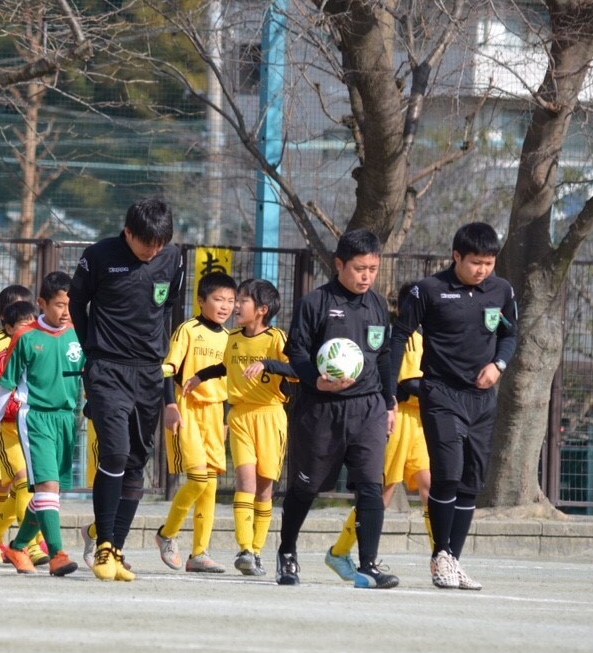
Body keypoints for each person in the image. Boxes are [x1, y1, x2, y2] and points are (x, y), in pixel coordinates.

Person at [390, 222, 517, 590]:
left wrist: (499, 365)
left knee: (471, 482)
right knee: (447, 472)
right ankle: (440, 556)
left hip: (482, 399)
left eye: (489, 263)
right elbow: (399, 338)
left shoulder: (501, 290)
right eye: (475, 262)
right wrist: (387, 392)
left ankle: (452, 560)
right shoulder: (428, 291)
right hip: (441, 393)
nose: (482, 270)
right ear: (456, 256)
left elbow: (509, 334)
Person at [70, 197, 184, 582]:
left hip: (148, 373)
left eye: (160, 244)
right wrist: (91, 352)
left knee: (136, 463)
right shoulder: (99, 255)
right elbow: (76, 303)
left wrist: (166, 385)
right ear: (128, 232)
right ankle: (103, 544)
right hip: (107, 369)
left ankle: (116, 548)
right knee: (115, 452)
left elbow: (166, 310)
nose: (153, 251)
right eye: (146, 243)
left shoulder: (173, 259)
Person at [279, 230, 399, 589]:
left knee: (369, 486)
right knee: (306, 487)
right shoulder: (315, 302)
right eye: (359, 268)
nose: (366, 276)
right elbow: (295, 351)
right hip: (321, 410)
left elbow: (385, 356)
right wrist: (317, 380)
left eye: (373, 269)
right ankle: (287, 552)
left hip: (368, 409)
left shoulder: (377, 305)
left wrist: (389, 402)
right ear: (339, 265)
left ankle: (368, 564)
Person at [182, 278, 295, 576]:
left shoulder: (276, 339)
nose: (235, 305)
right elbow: (225, 366)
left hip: (270, 416)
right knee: (244, 481)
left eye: (242, 300)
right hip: (240, 415)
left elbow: (298, 369)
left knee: (264, 486)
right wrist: (200, 376)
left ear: (261, 310)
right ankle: (245, 549)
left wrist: (269, 364)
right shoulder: (233, 337)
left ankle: (257, 550)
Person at [324, 281, 433, 581]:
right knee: (381, 494)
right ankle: (339, 551)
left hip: (420, 423)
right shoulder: (398, 336)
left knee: (430, 488)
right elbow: (404, 383)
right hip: (396, 419)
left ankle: (442, 558)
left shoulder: (431, 336)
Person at [0, 271, 83, 577]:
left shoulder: (78, 334)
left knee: (50, 493)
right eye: (59, 305)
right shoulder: (25, 337)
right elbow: (6, 384)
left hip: (67, 419)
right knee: (46, 487)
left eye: (70, 305)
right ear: (41, 303)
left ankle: (17, 546)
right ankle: (57, 554)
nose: (65, 311)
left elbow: (90, 376)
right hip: (35, 417)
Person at [155, 271, 237, 573]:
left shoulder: (231, 338)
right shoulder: (187, 330)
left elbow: (231, 380)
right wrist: (170, 404)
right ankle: (166, 534)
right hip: (187, 409)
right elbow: (167, 369)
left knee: (211, 486)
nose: (225, 306)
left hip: (216, 414)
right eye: (218, 299)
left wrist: (227, 417)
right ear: (201, 301)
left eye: (231, 300)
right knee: (198, 479)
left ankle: (198, 553)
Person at [0, 285, 47, 567]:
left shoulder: (42, 343)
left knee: (27, 486)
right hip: (5, 428)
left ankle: (8, 539)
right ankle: (6, 542)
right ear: (6, 319)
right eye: (18, 314)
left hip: (34, 425)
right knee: (4, 485)